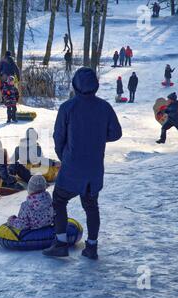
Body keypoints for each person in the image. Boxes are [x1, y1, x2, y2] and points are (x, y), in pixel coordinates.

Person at [43, 67, 122, 259]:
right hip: (94, 169)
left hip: (72, 167)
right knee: (91, 206)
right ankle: (92, 247)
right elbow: (116, 133)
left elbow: (58, 137)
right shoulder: (104, 107)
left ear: (75, 86)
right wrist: (97, 138)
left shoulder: (67, 107)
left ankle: (61, 243)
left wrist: (65, 156)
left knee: (59, 201)